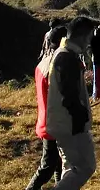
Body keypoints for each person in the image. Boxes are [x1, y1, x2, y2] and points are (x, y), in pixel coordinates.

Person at [46, 16, 98, 190]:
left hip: (63, 122)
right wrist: (80, 119)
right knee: (85, 167)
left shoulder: (63, 54)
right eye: (90, 37)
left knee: (71, 168)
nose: (90, 42)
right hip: (70, 124)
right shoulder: (67, 58)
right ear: (83, 36)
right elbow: (69, 96)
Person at [27, 25, 67, 190]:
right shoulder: (57, 65)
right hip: (54, 122)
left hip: (45, 119)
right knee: (48, 164)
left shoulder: (43, 63)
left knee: (57, 162)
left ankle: (59, 186)